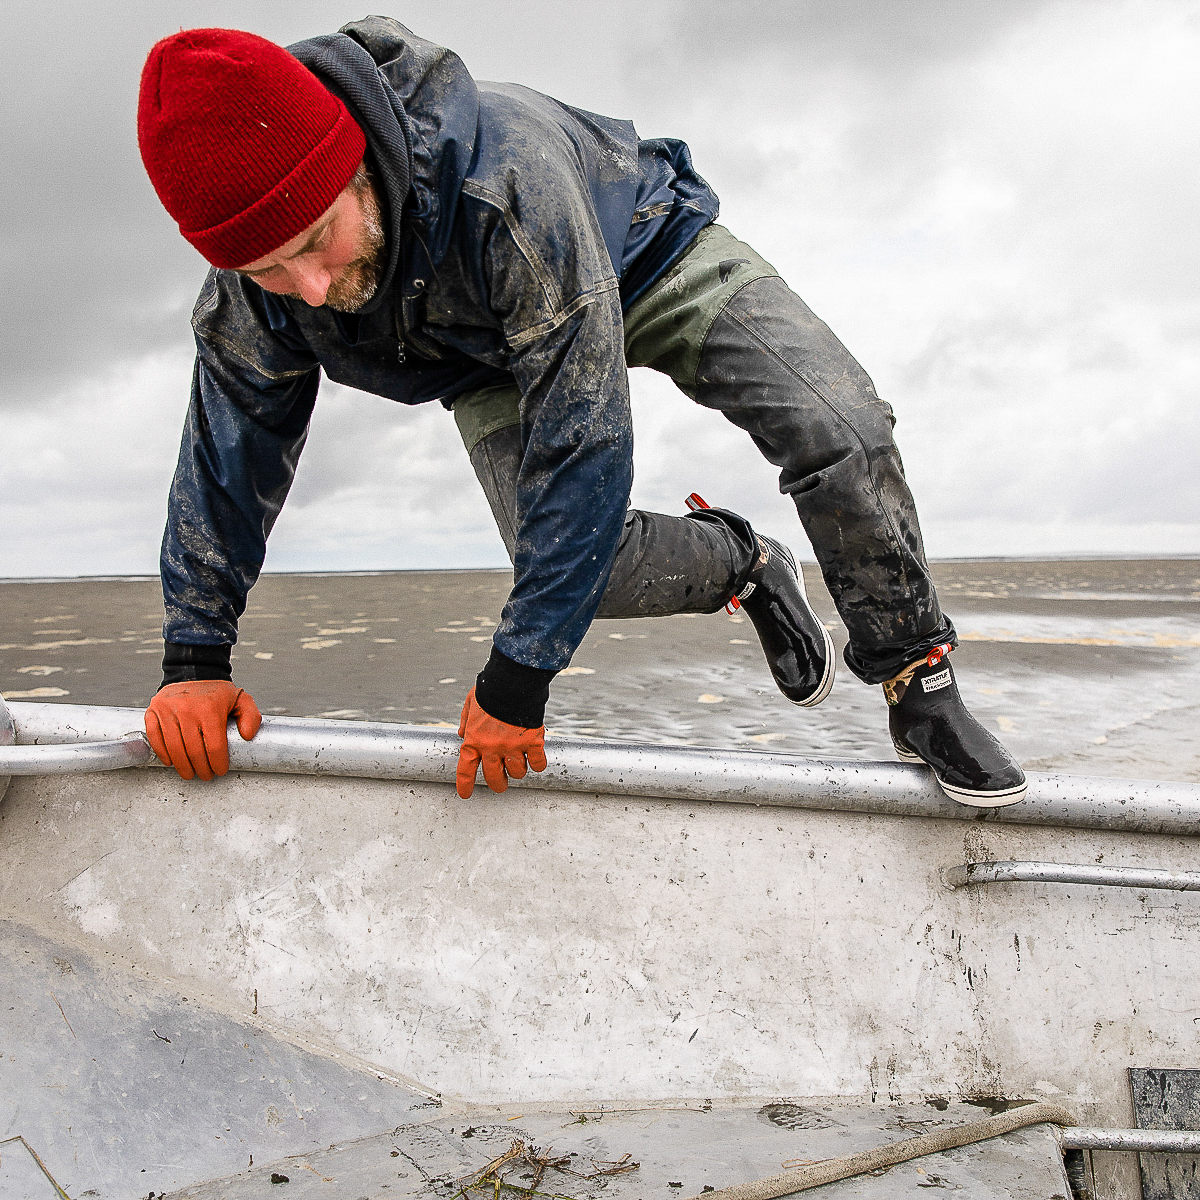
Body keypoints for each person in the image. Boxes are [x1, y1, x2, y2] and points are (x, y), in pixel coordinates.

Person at [136, 18, 1027, 808]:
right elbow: (227, 459)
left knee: (842, 427)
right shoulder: (257, 295)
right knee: (576, 571)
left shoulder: (505, 181)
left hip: (642, 245)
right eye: (267, 270)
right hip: (477, 346)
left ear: (356, 163)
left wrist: (517, 680)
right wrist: (194, 661)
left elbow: (586, 441)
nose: (310, 288)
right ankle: (745, 562)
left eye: (315, 240)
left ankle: (920, 683)